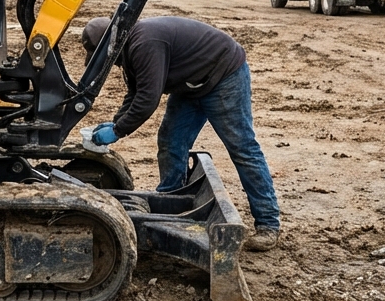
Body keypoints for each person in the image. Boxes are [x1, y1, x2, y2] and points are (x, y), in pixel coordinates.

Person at [82, 16, 281, 251]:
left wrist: (118, 131)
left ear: (110, 48)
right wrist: (115, 122)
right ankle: (172, 202)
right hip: (190, 83)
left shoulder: (145, 44)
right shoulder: (130, 47)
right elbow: (135, 92)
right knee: (170, 141)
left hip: (223, 76)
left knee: (242, 148)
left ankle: (268, 223)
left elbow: (147, 99)